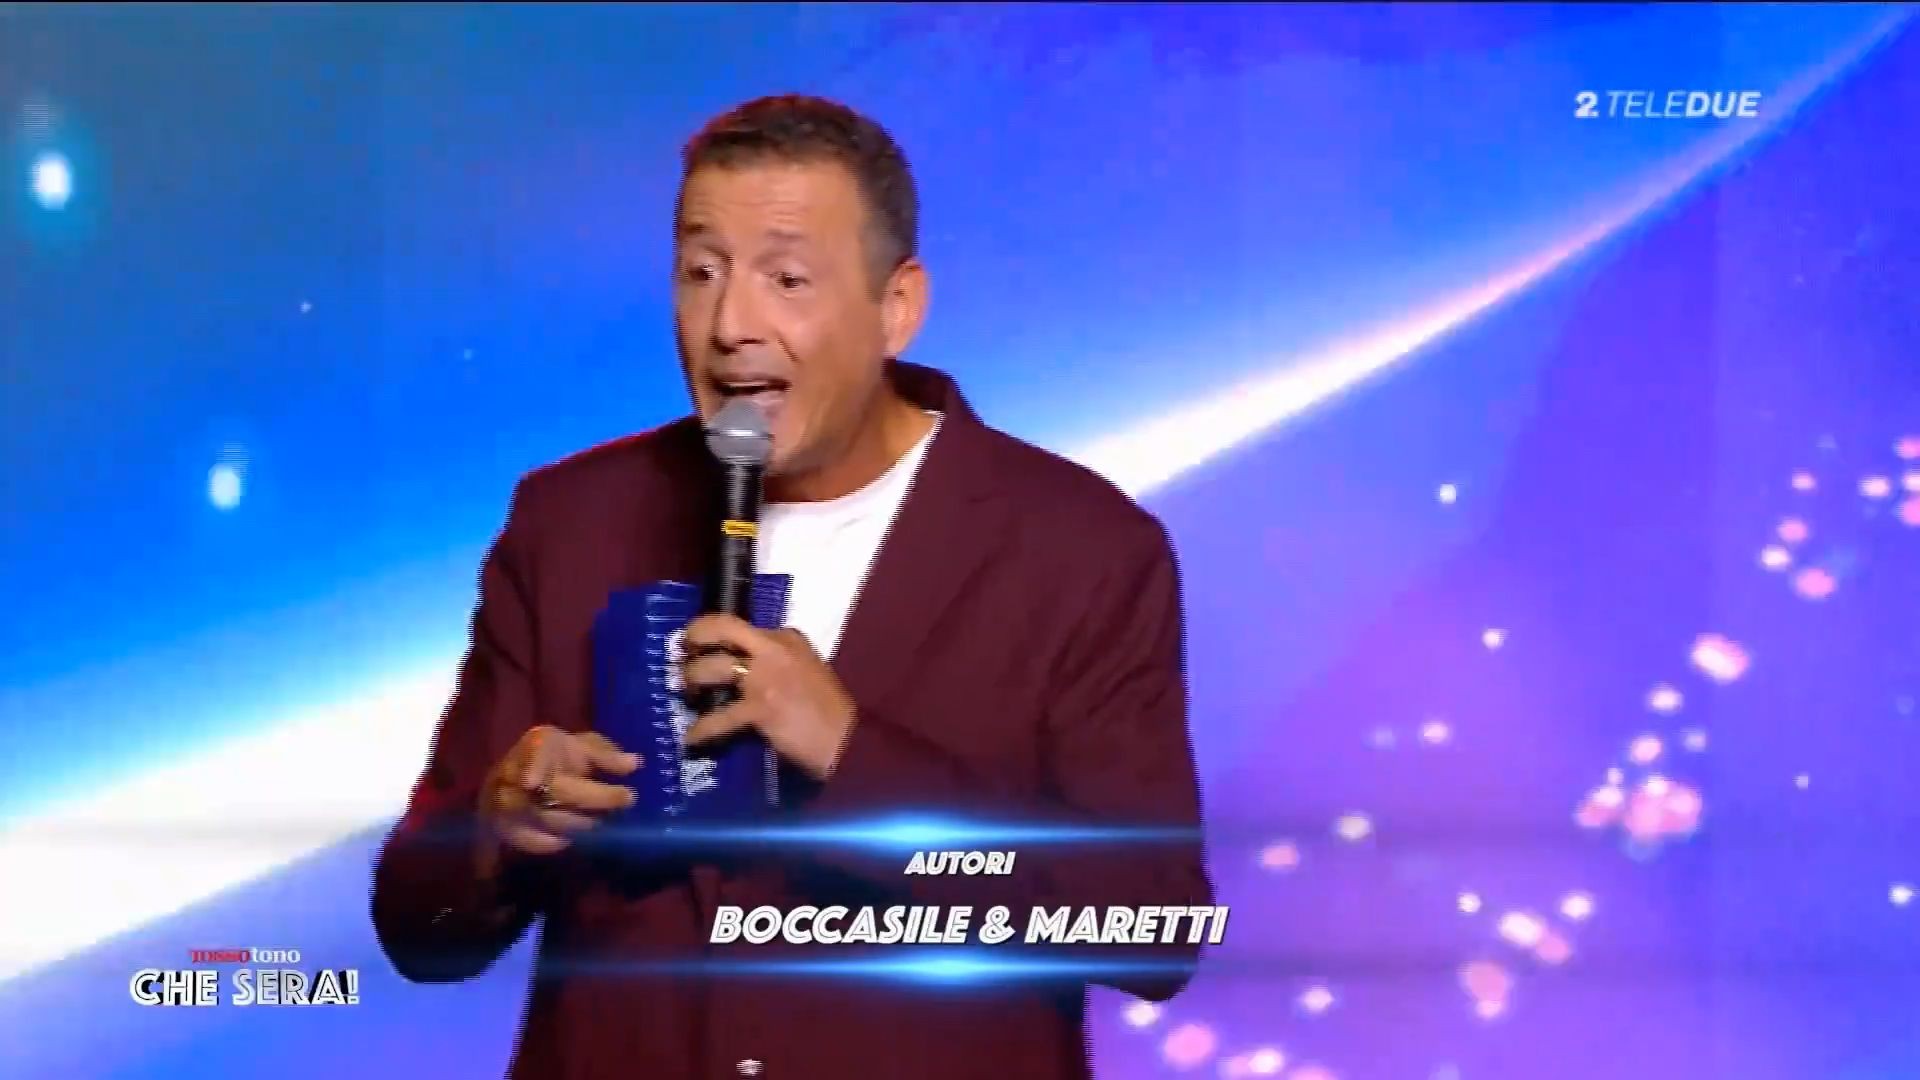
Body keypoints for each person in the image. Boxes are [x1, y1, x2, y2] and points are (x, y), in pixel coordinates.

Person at [371, 93, 1212, 1079]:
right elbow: (417, 931)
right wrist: (496, 828)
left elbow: (1150, 927)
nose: (731, 325)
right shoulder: (570, 524)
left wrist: (851, 754)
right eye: (701, 274)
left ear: (897, 308)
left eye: (787, 279)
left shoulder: (1081, 549)